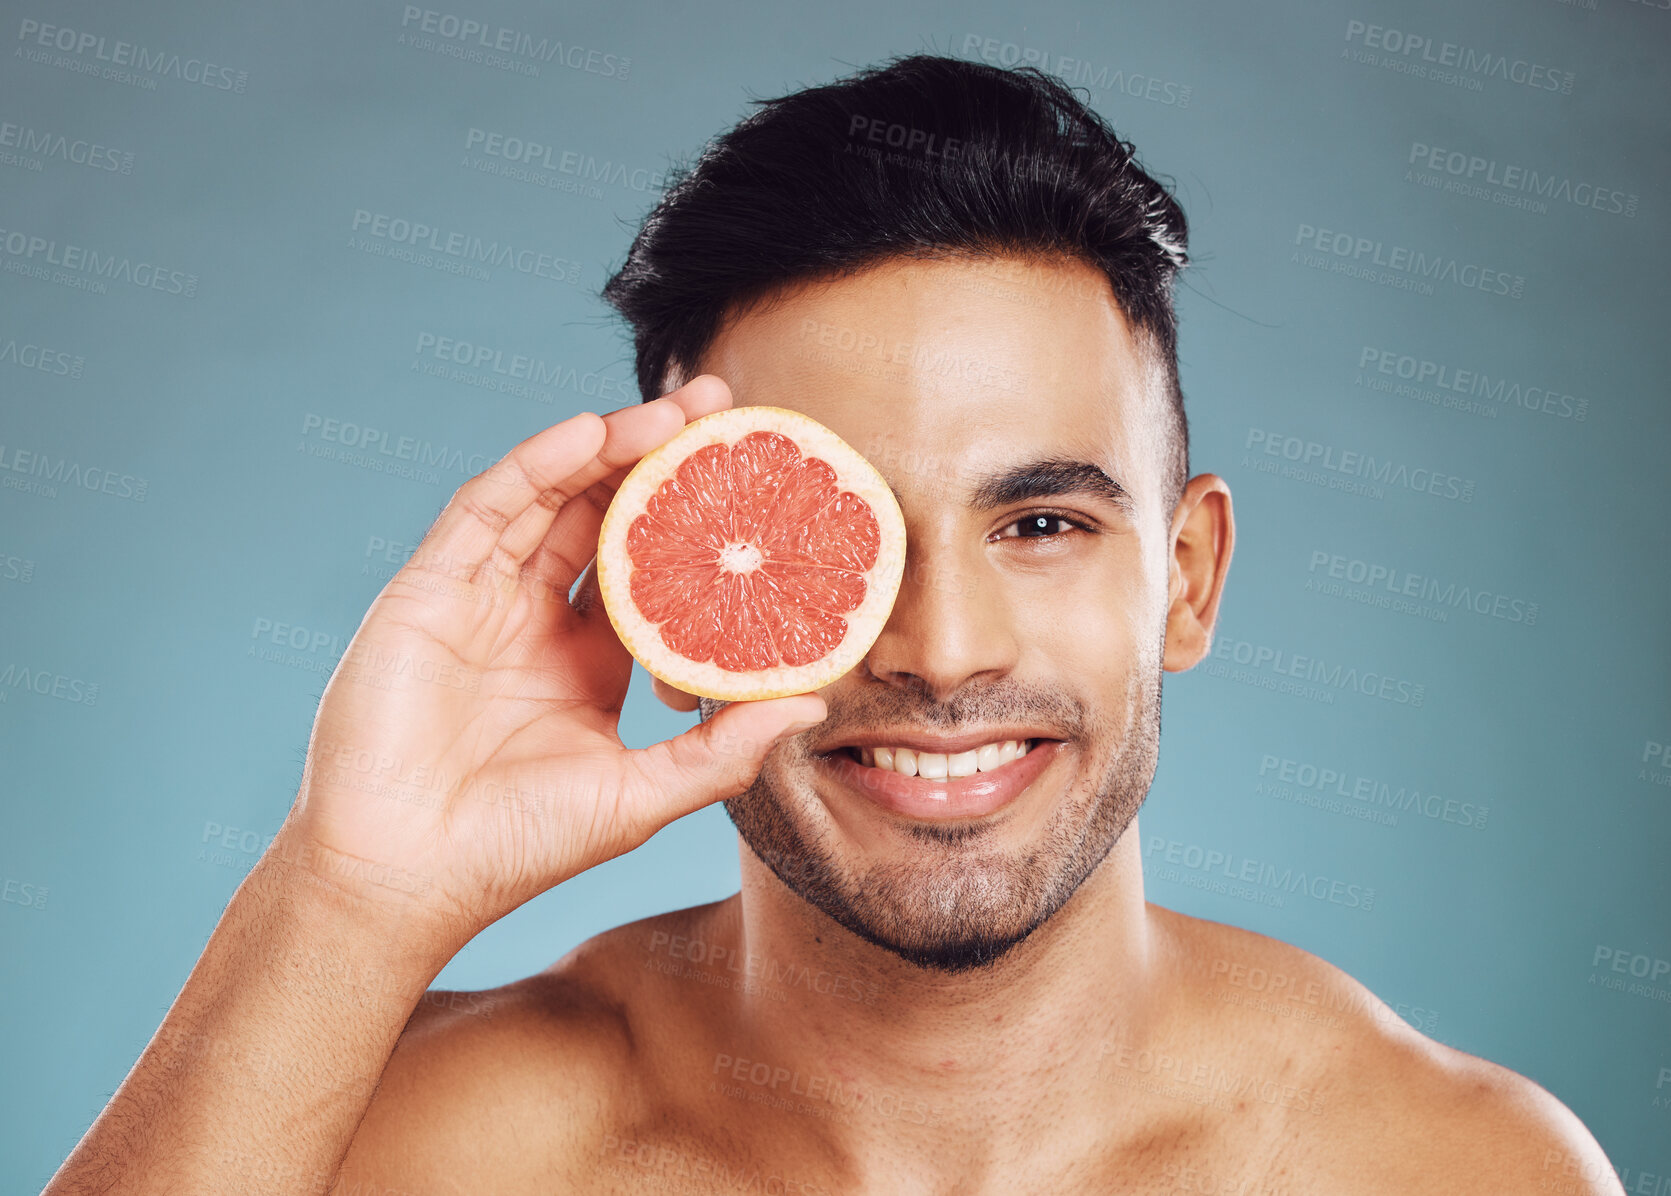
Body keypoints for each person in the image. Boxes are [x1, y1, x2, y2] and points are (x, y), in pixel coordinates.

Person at [45, 54, 1622, 1196]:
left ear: (1190, 578)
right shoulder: (422, 1148)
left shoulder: (1445, 1166)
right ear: (677, 595)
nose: (939, 651)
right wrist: (348, 890)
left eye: (1042, 524)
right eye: (837, 541)